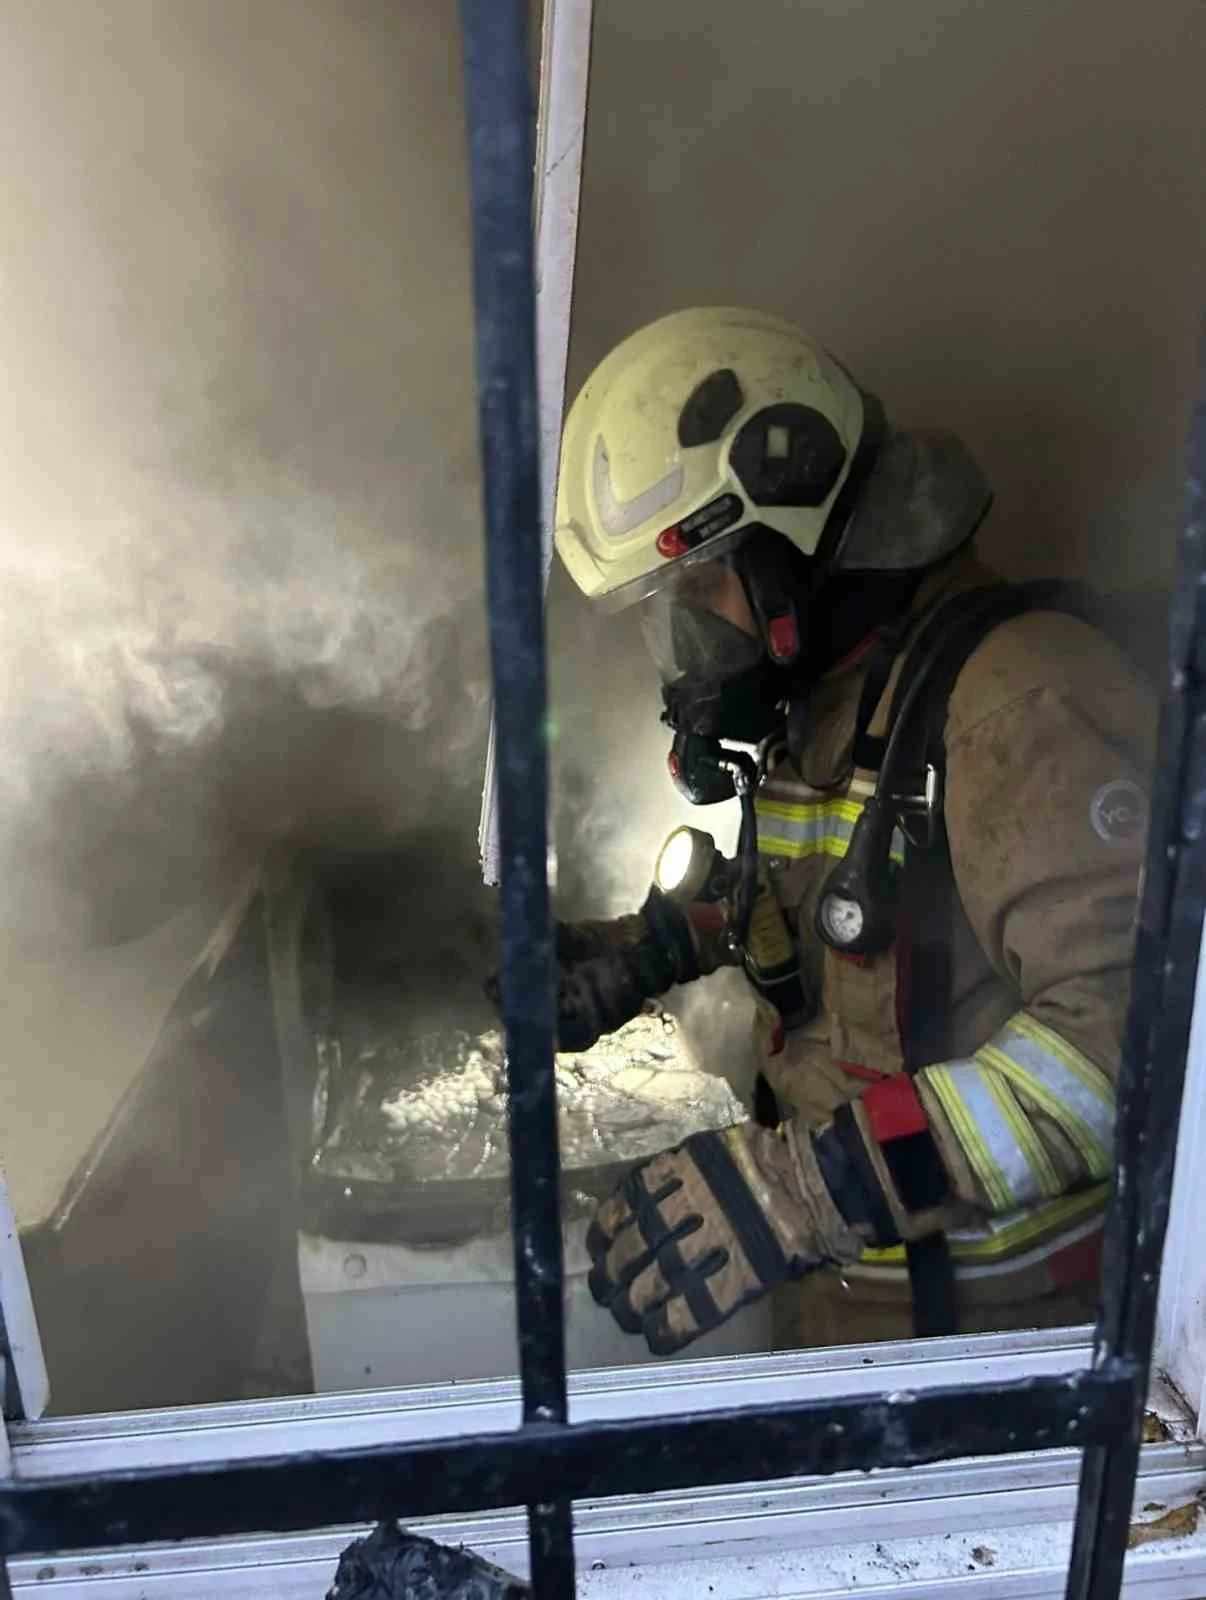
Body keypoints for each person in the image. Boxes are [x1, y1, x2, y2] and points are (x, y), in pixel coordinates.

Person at [549, 306, 1155, 1354]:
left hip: (1011, 1351)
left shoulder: (1016, 697)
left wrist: (809, 1187)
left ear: (791, 529)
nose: (684, 642)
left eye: (697, 587)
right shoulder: (838, 704)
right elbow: (839, 913)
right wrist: (656, 945)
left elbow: (1132, 1039)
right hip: (855, 1318)